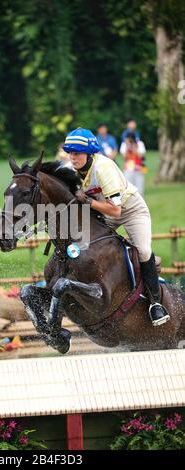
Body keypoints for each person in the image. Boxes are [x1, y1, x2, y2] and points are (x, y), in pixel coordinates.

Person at [62, 127, 170, 327]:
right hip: (104, 213)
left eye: (76, 153)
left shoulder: (103, 167)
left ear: (90, 153)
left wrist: (87, 201)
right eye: (70, 152)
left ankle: (156, 304)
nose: (72, 157)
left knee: (144, 250)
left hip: (130, 211)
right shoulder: (70, 169)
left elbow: (116, 211)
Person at [120, 132, 147, 196]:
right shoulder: (124, 144)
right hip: (128, 169)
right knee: (127, 189)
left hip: (139, 169)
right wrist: (128, 146)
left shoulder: (140, 144)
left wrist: (134, 147)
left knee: (140, 190)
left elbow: (141, 156)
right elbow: (124, 157)